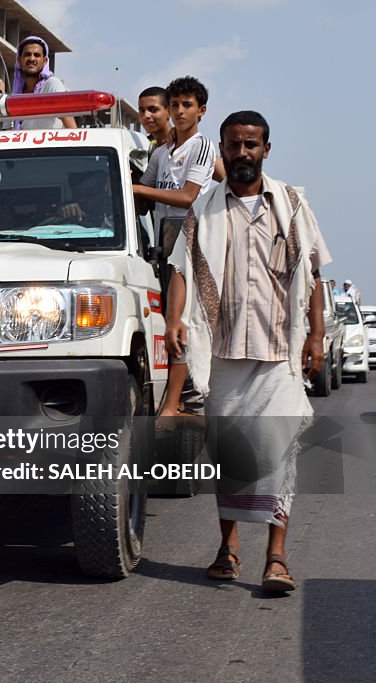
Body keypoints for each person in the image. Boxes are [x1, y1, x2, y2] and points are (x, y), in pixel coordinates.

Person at [166, 111, 331, 593]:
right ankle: (228, 548)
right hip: (221, 356)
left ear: (266, 148)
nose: (242, 153)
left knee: (279, 452)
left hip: (279, 352)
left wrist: (316, 337)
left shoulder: (294, 206)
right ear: (222, 149)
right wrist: (175, 318)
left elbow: (314, 275)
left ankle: (276, 557)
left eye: (251, 145)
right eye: (234, 146)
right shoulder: (205, 210)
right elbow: (180, 271)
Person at [134, 76, 219, 419]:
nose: (180, 111)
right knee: (170, 325)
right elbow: (143, 194)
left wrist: (138, 191)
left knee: (182, 323)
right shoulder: (162, 151)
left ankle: (180, 404)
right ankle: (179, 400)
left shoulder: (201, 147)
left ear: (201, 111)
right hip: (165, 251)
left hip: (191, 249)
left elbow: (186, 196)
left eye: (187, 105)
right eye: (175, 105)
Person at [12, 36, 77, 130]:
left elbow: (71, 128)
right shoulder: (16, 94)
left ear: (44, 61)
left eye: (37, 55)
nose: (32, 59)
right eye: (27, 54)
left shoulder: (52, 84)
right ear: (19, 60)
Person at [138, 86, 172, 151]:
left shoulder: (181, 145)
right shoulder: (147, 146)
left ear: (169, 111)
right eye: (142, 110)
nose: (146, 115)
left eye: (153, 109)